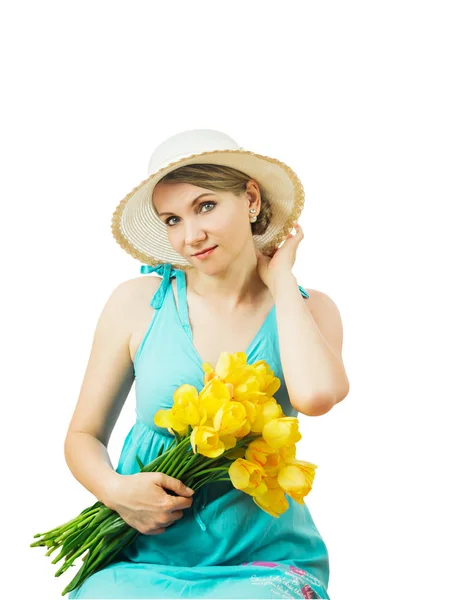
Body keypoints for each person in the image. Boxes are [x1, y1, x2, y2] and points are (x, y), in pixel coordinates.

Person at [65, 129, 348, 599]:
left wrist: (280, 280)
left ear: (251, 200)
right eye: (172, 219)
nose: (190, 236)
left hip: (266, 563)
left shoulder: (308, 308)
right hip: (144, 558)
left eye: (206, 206)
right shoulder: (137, 304)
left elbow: (316, 398)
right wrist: (115, 491)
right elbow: (82, 437)